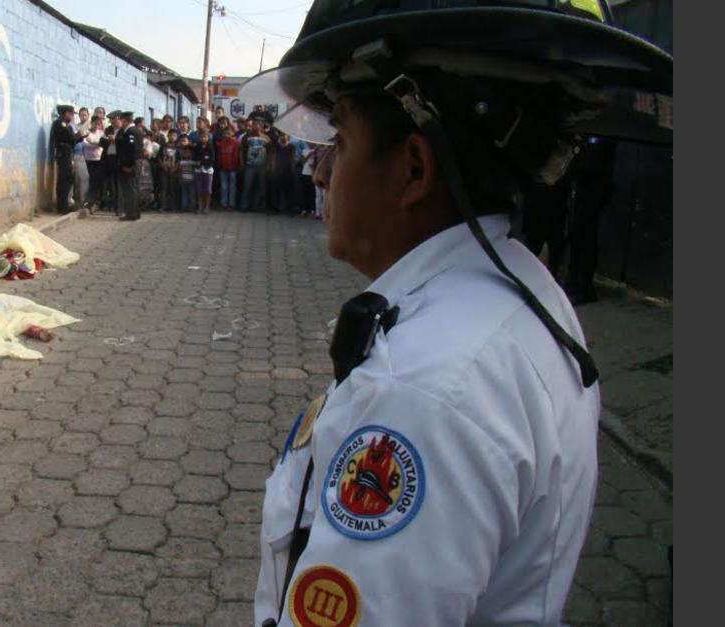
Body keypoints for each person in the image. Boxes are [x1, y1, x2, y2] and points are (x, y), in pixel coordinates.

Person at [240, 1, 671, 625]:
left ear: (414, 169)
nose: (319, 170)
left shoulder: (421, 389)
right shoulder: (523, 289)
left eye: (339, 140)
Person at [564, 136, 618, 305]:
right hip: (585, 189)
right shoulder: (591, 135)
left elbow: (593, 165)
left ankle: (583, 286)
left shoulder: (602, 137)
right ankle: (574, 282)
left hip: (592, 191)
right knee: (578, 237)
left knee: (585, 238)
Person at [48, 104, 83, 214]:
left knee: (68, 180)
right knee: (64, 180)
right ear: (66, 113)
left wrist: (78, 137)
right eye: (71, 114)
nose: (72, 117)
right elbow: (70, 138)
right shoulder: (60, 124)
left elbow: (71, 140)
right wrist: (78, 135)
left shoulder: (66, 125)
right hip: (63, 155)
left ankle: (64, 205)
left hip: (67, 154)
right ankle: (62, 207)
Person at [116, 111, 142, 221]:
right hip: (135, 162)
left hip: (131, 164)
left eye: (121, 120)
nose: (120, 122)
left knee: (129, 189)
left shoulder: (131, 132)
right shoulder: (135, 130)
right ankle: (135, 212)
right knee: (134, 188)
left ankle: (131, 213)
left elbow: (133, 150)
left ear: (125, 120)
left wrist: (129, 165)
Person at [240, 120, 270, 212]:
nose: (254, 126)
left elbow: (270, 152)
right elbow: (241, 150)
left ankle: (258, 206)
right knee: (247, 186)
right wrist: (241, 163)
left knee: (260, 187)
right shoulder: (246, 137)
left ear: (261, 126)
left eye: (256, 125)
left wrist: (268, 164)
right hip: (249, 166)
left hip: (262, 166)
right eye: (253, 125)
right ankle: (244, 206)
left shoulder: (266, 138)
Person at [215, 126, 241, 211]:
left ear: (233, 133)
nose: (227, 134)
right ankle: (223, 203)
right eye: (226, 133)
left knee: (232, 187)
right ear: (223, 134)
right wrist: (219, 165)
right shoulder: (221, 143)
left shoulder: (236, 143)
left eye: (229, 132)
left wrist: (235, 166)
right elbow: (219, 155)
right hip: (223, 168)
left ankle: (231, 204)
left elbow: (236, 156)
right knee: (224, 187)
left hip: (232, 168)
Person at [83, 116, 105, 212]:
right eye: (95, 123)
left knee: (96, 182)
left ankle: (95, 202)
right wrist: (97, 144)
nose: (96, 125)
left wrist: (93, 143)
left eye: (98, 124)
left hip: (98, 160)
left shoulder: (101, 133)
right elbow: (85, 144)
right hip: (88, 160)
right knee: (88, 181)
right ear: (91, 123)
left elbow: (102, 144)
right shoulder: (86, 133)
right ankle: (88, 201)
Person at [72, 107, 91, 211]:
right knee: (78, 179)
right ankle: (79, 201)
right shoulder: (76, 127)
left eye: (85, 115)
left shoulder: (91, 126)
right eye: (81, 115)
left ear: (88, 115)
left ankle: (84, 200)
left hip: (90, 156)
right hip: (79, 154)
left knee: (85, 178)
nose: (83, 117)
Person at [193, 128, 216, 213]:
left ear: (208, 137)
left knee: (207, 189)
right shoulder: (197, 147)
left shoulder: (211, 147)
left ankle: (207, 207)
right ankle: (200, 206)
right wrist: (199, 161)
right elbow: (195, 157)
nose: (203, 139)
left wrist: (204, 160)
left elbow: (212, 159)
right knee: (199, 189)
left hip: (208, 170)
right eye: (201, 137)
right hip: (198, 170)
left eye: (205, 137)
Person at [159, 129, 180, 212]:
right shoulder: (163, 146)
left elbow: (179, 160)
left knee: (172, 188)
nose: (172, 137)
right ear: (168, 136)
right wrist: (162, 166)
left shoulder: (178, 147)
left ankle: (173, 206)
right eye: (171, 135)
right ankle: (163, 206)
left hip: (173, 170)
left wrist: (175, 168)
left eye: (174, 135)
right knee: (164, 188)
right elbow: (159, 157)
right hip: (164, 170)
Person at [177, 135, 197, 213]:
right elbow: (180, 171)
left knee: (192, 194)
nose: (187, 154)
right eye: (185, 152)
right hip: (184, 180)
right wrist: (180, 178)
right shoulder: (181, 162)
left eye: (188, 152)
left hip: (192, 180)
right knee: (184, 194)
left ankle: (192, 206)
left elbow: (195, 171)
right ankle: (184, 207)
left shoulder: (193, 162)